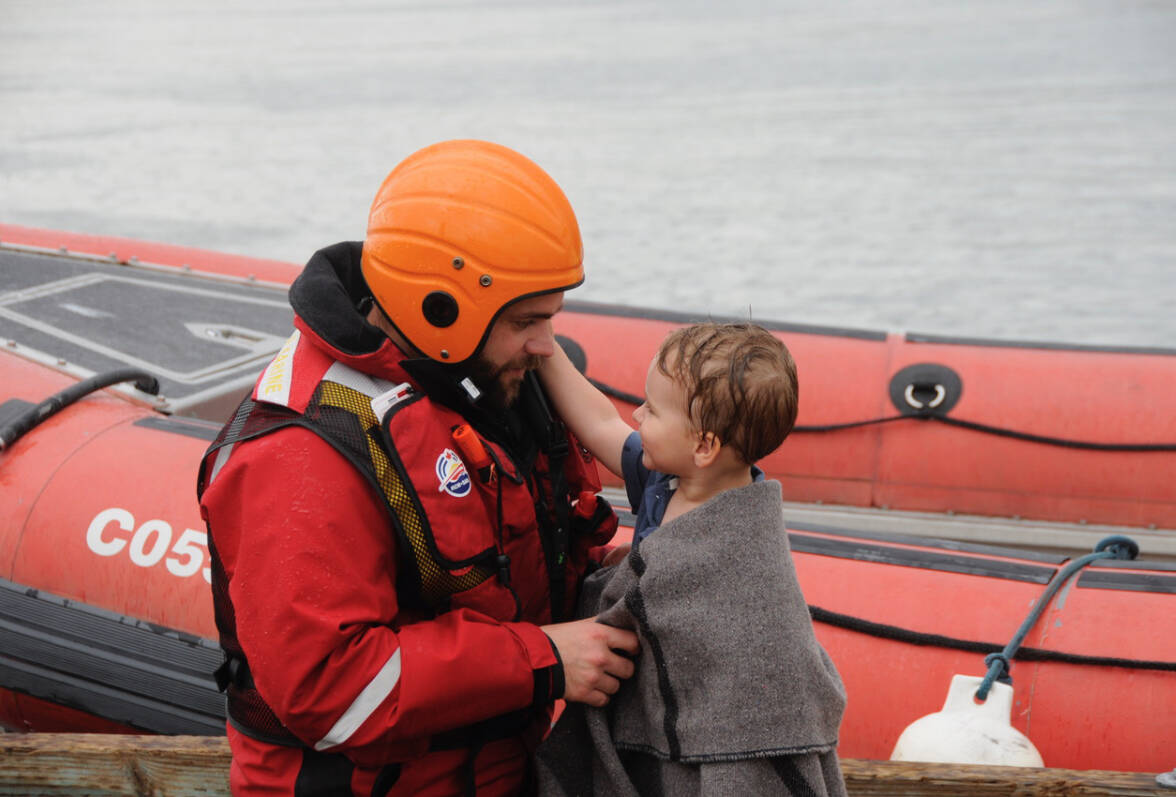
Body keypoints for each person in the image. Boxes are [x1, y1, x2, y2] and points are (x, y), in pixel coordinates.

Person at [197, 139, 640, 796]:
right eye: (526, 322)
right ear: (441, 309)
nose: (547, 347)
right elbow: (329, 687)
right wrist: (542, 659)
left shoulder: (484, 385)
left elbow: (522, 555)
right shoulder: (304, 450)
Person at [534, 322, 848, 796]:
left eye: (653, 410)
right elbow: (599, 421)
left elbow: (754, 656)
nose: (637, 414)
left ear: (704, 445)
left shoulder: (738, 538)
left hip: (715, 721)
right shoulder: (668, 479)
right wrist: (544, 348)